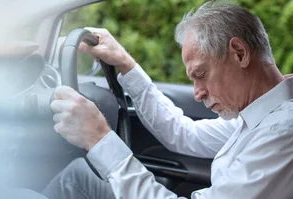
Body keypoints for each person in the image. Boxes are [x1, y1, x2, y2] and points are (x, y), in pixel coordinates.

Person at [42, 1, 293, 198]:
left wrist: (98, 138)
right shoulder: (258, 116)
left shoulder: (282, 132)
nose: (198, 92)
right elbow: (184, 133)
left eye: (201, 74)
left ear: (239, 53)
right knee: (77, 176)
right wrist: (126, 65)